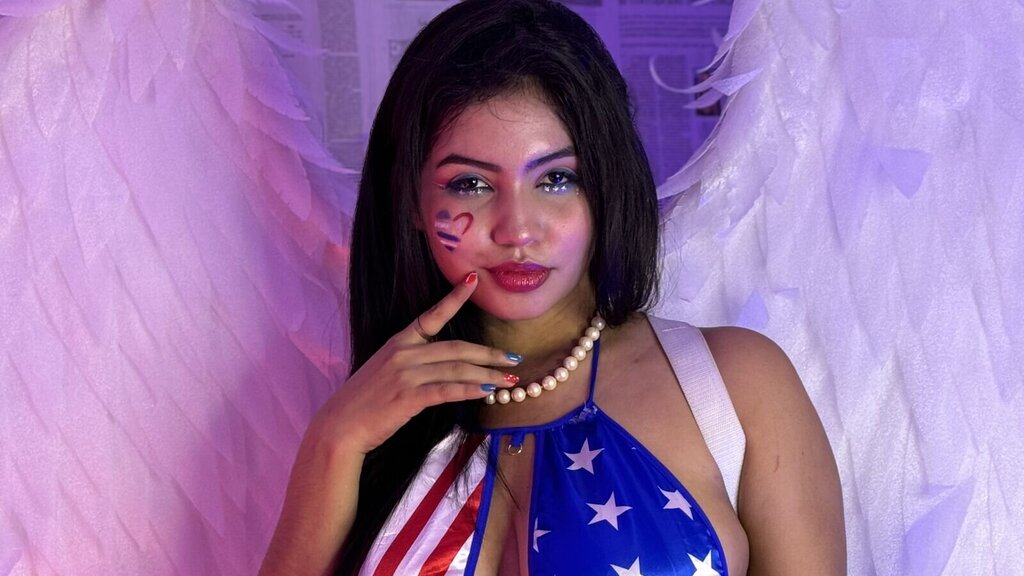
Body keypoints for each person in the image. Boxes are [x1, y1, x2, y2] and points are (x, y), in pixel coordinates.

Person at [259, 0, 845, 574]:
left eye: (556, 179)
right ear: (412, 200)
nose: (517, 230)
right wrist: (334, 441)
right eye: (470, 184)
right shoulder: (365, 425)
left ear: (607, 186)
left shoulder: (737, 384)